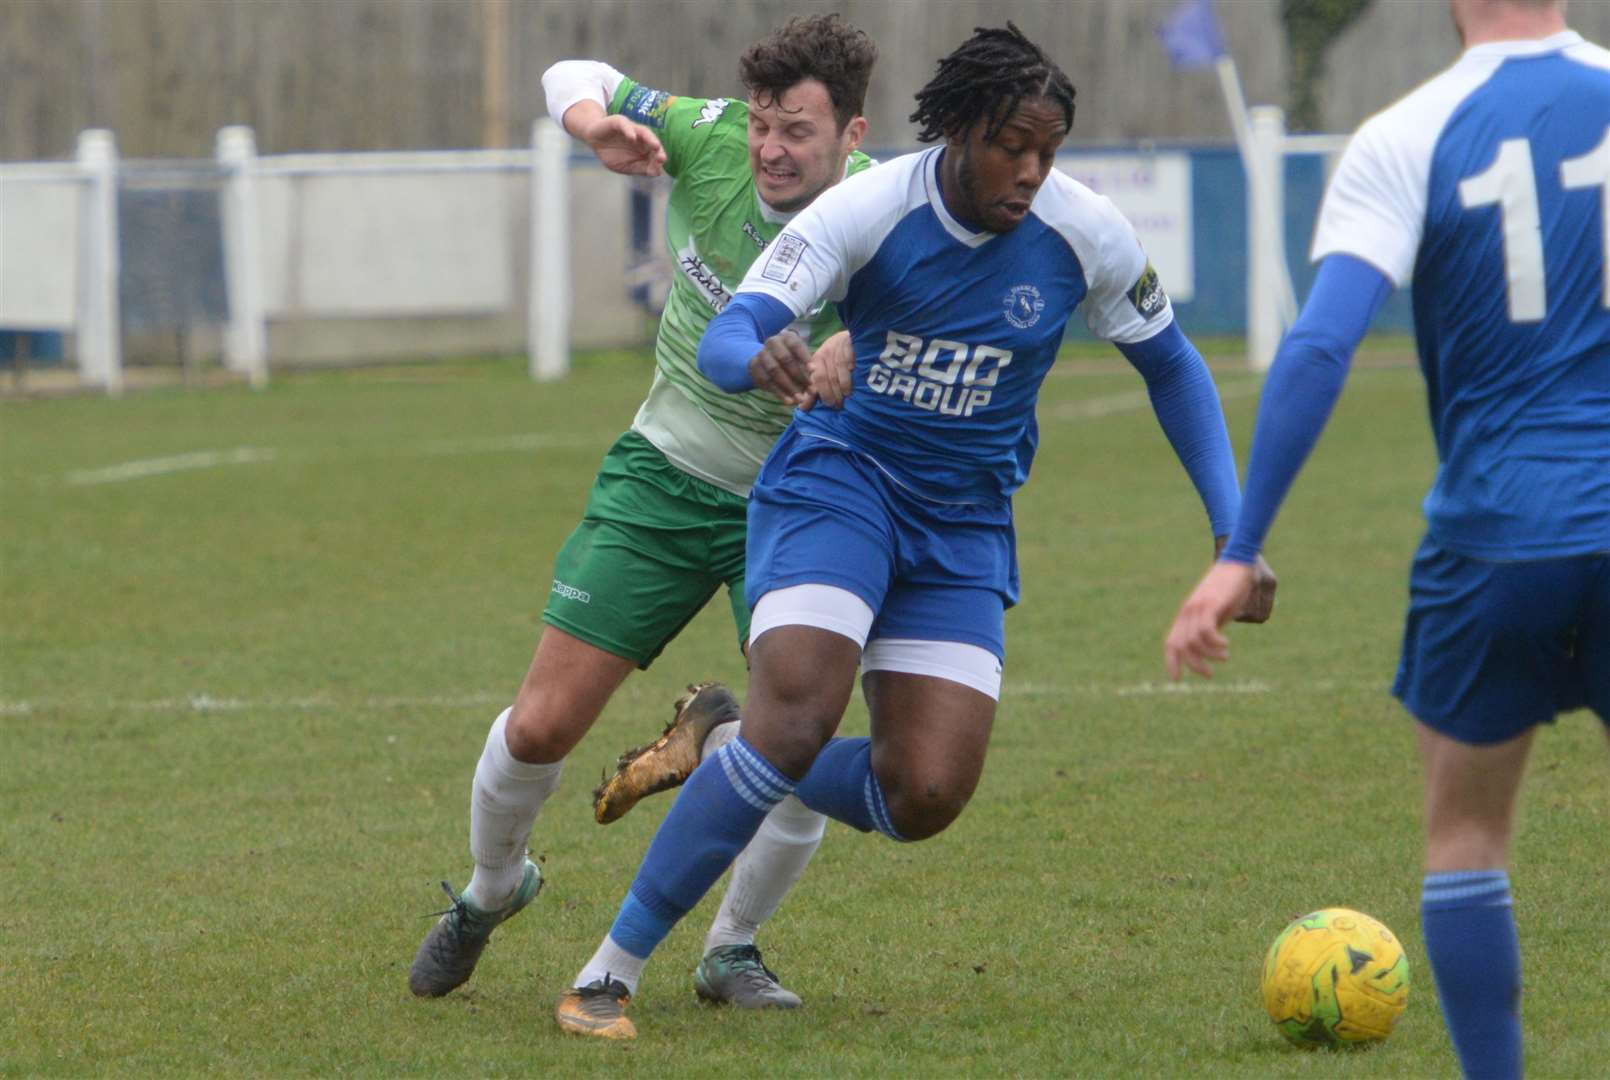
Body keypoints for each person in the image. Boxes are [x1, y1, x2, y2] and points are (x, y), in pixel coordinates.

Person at [554, 23, 1278, 1040]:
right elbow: (732, 326)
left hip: (962, 523)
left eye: (1045, 153)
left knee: (924, 792)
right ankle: (607, 975)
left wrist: (1230, 537)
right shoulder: (868, 208)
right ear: (953, 134)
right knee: (800, 713)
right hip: (837, 484)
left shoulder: (1085, 234)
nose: (1027, 173)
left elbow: (1172, 368)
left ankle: (722, 740)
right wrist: (754, 358)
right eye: (1008, 149)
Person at [1163, 2, 1609, 1076]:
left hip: (1492, 534)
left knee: (1464, 838)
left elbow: (1318, 345)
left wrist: (1241, 543)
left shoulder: (1405, 133)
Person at [409, 14, 879, 1013]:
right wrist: (591, 123)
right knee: (541, 726)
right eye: (761, 125)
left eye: (796, 130)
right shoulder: (705, 138)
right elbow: (570, 68)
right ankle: (493, 890)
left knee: (796, 733)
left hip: (800, 505)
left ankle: (732, 950)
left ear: (852, 134)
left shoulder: (886, 220)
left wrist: (861, 369)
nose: (768, 149)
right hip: (662, 477)